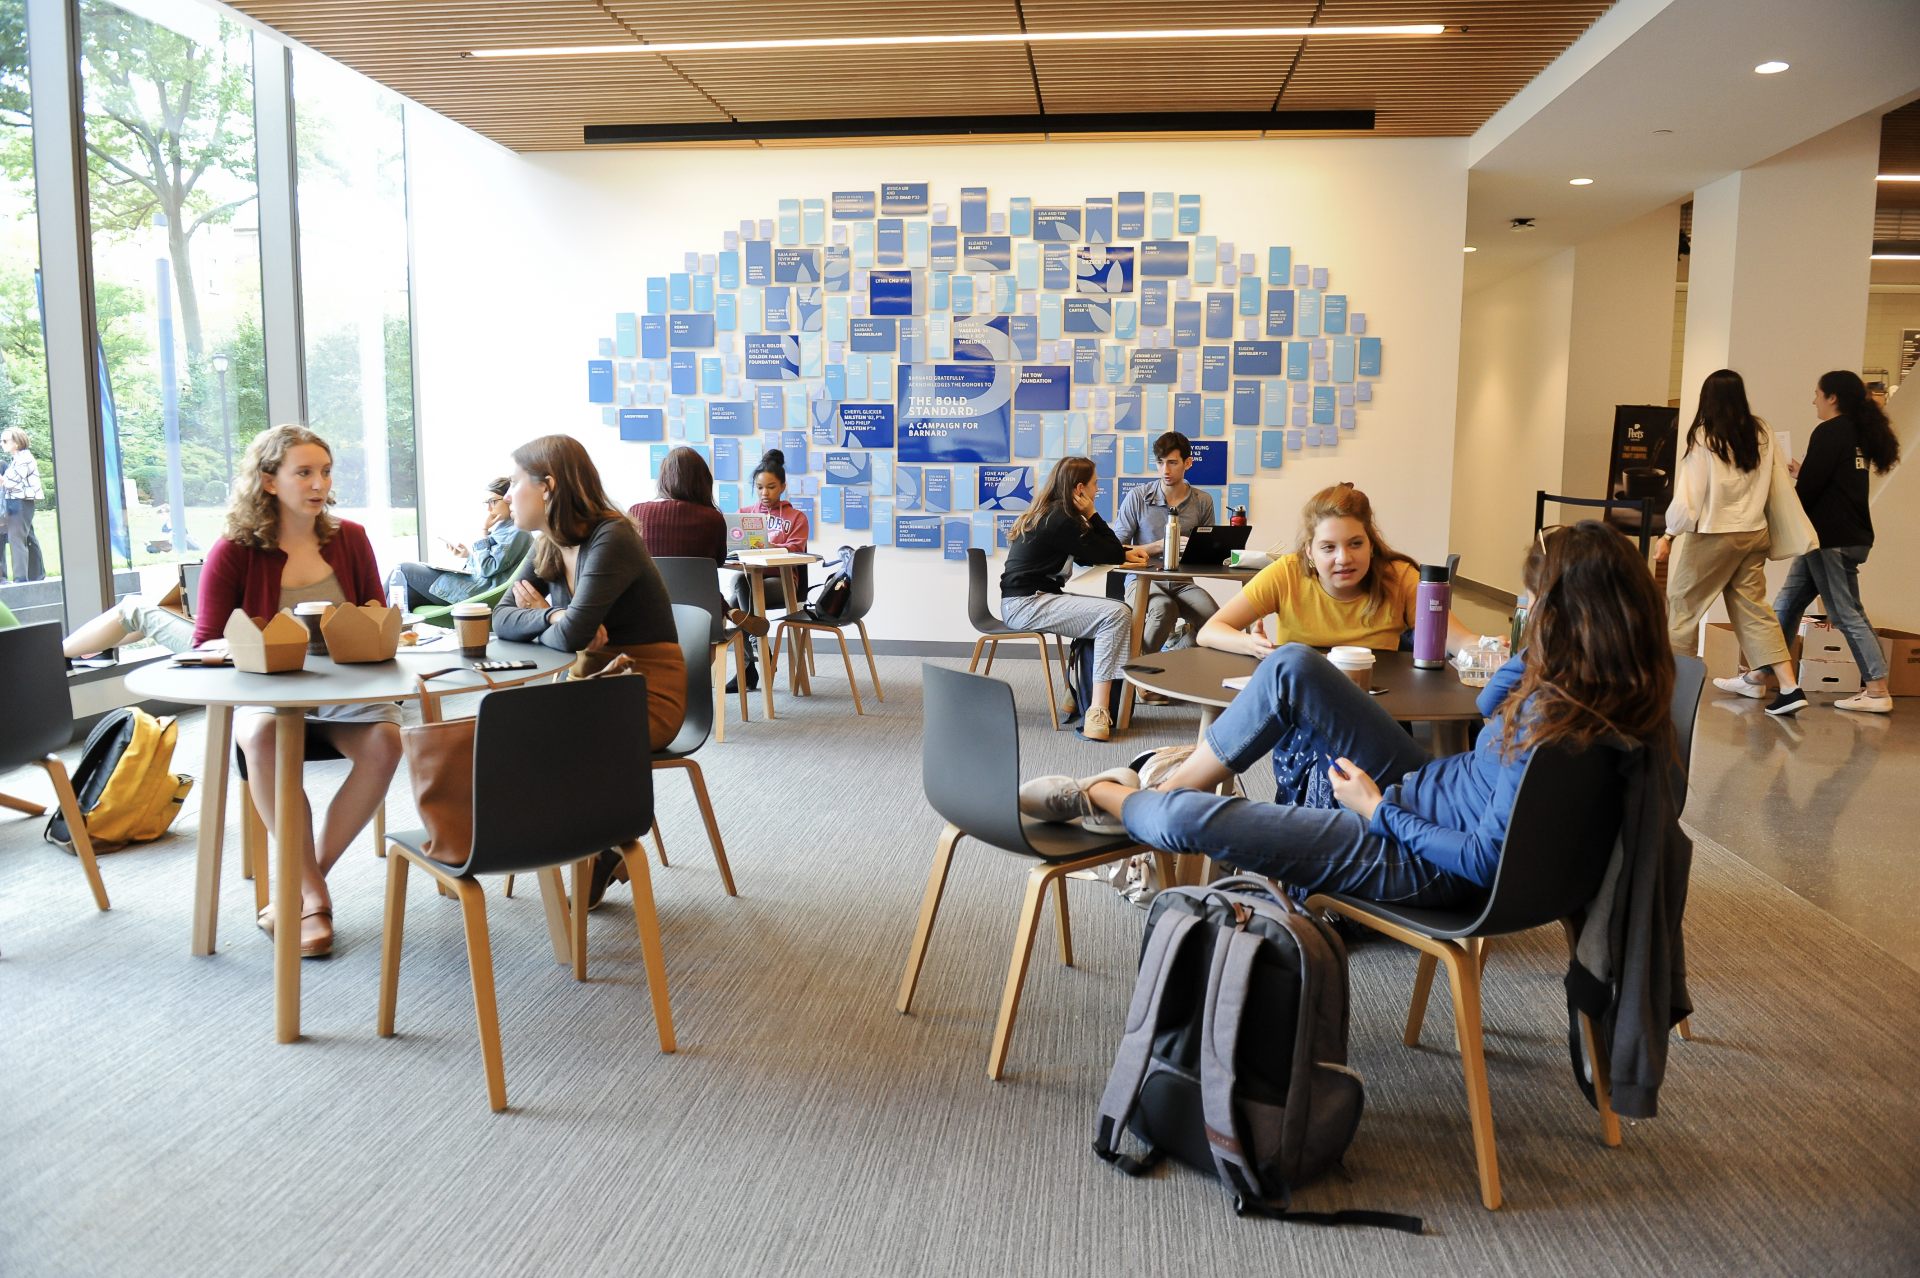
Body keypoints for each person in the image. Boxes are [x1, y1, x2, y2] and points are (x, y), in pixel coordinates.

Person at [1020, 521, 1675, 912]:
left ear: (1567, 616)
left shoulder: (1551, 728)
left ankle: (1107, 795)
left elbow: (1482, 862)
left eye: (1534, 604)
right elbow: (1483, 705)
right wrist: (1537, 649)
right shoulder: (1608, 691)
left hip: (1416, 851)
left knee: (1189, 820)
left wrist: (1375, 810)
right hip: (1429, 793)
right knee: (1295, 666)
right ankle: (1170, 784)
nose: (1525, 611)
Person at [192, 425, 402, 960]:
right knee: (262, 737)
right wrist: (263, 645)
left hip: (343, 688)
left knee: (386, 742)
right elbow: (206, 642)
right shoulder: (234, 551)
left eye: (325, 472)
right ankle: (313, 898)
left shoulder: (349, 538)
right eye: (303, 472)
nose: (319, 484)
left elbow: (375, 615)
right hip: (266, 689)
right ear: (268, 481)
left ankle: (298, 888)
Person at [491, 434, 685, 749]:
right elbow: (500, 618)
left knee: (518, 736)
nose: (508, 496)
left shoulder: (612, 537)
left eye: (514, 483)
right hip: (588, 683)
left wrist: (544, 618)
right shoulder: (548, 542)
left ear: (547, 486)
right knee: (501, 727)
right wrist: (554, 616)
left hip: (642, 692)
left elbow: (572, 637)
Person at [1657, 369, 1805, 716]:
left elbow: (1689, 496)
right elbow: (1778, 480)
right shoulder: (1763, 431)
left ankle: (1677, 689)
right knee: (1754, 609)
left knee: (1683, 605)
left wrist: (1668, 534)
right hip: (1754, 532)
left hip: (1714, 533)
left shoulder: (1705, 437)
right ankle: (1788, 686)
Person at [1198, 481, 1470, 659]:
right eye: (1328, 548)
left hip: (1379, 710)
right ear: (1310, 552)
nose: (1343, 558)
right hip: (1305, 706)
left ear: (1371, 546)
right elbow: (1210, 631)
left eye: (1355, 544)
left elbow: (1460, 641)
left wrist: (1494, 649)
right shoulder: (1287, 573)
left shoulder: (1399, 577)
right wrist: (1253, 646)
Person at [1763, 370, 1901, 714]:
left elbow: (1811, 489)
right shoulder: (1857, 432)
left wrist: (1783, 505)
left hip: (1828, 538)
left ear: (1832, 397)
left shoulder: (1829, 430)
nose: (1814, 400)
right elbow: (1827, 479)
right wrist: (1802, 472)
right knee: (1789, 602)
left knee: (1844, 613)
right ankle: (1760, 674)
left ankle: (1877, 689)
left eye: (1817, 394)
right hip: (1846, 535)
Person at [998, 456, 1149, 742]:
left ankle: (1076, 693)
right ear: (1079, 489)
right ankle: (1097, 710)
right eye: (1094, 485)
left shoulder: (1054, 514)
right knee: (1116, 614)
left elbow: (1090, 552)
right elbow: (1107, 552)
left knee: (1106, 615)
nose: (1097, 490)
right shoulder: (1061, 520)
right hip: (1026, 604)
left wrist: (1122, 551)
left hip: (1029, 600)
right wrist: (1093, 513)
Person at [629, 445, 768, 638]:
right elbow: (717, 562)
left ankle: (728, 610)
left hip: (644, 615)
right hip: (702, 619)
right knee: (702, 593)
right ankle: (728, 611)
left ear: (663, 479)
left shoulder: (636, 513)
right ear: (703, 481)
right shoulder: (712, 518)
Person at [1111, 431, 1219, 652]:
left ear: (1187, 463)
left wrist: (1200, 550)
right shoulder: (1138, 497)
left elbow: (1209, 552)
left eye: (1172, 463)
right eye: (1160, 463)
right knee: (1164, 609)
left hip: (1182, 582)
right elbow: (1114, 550)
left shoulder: (1203, 501)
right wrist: (1159, 546)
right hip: (1142, 580)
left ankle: (1169, 657)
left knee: (1217, 621)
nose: (1165, 470)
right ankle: (1141, 675)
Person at [725, 448, 809, 693]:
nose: (764, 493)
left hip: (782, 585)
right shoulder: (743, 515)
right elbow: (733, 546)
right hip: (752, 582)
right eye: (760, 487)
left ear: (782, 486)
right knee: (733, 602)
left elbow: (797, 551)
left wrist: (771, 546)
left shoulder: (796, 517)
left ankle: (752, 657)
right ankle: (756, 659)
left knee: (738, 591)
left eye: (771, 487)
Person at [395, 477, 532, 610]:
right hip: (473, 587)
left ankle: (376, 621)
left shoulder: (518, 532)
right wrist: (468, 556)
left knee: (403, 569)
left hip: (476, 593)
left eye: (493, 501)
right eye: (486, 503)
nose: (489, 509)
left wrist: (483, 531)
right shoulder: (504, 528)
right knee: (406, 594)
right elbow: (495, 566)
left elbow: (487, 568)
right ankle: (382, 627)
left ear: (509, 499)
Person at [1, 428, 47, 583]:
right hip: (15, 502)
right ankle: (34, 576)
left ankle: (21, 579)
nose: (2, 444)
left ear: (17, 442)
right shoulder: (17, 458)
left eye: (5, 441)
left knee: (16, 539)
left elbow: (11, 482)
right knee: (24, 537)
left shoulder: (24, 458)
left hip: (21, 502)